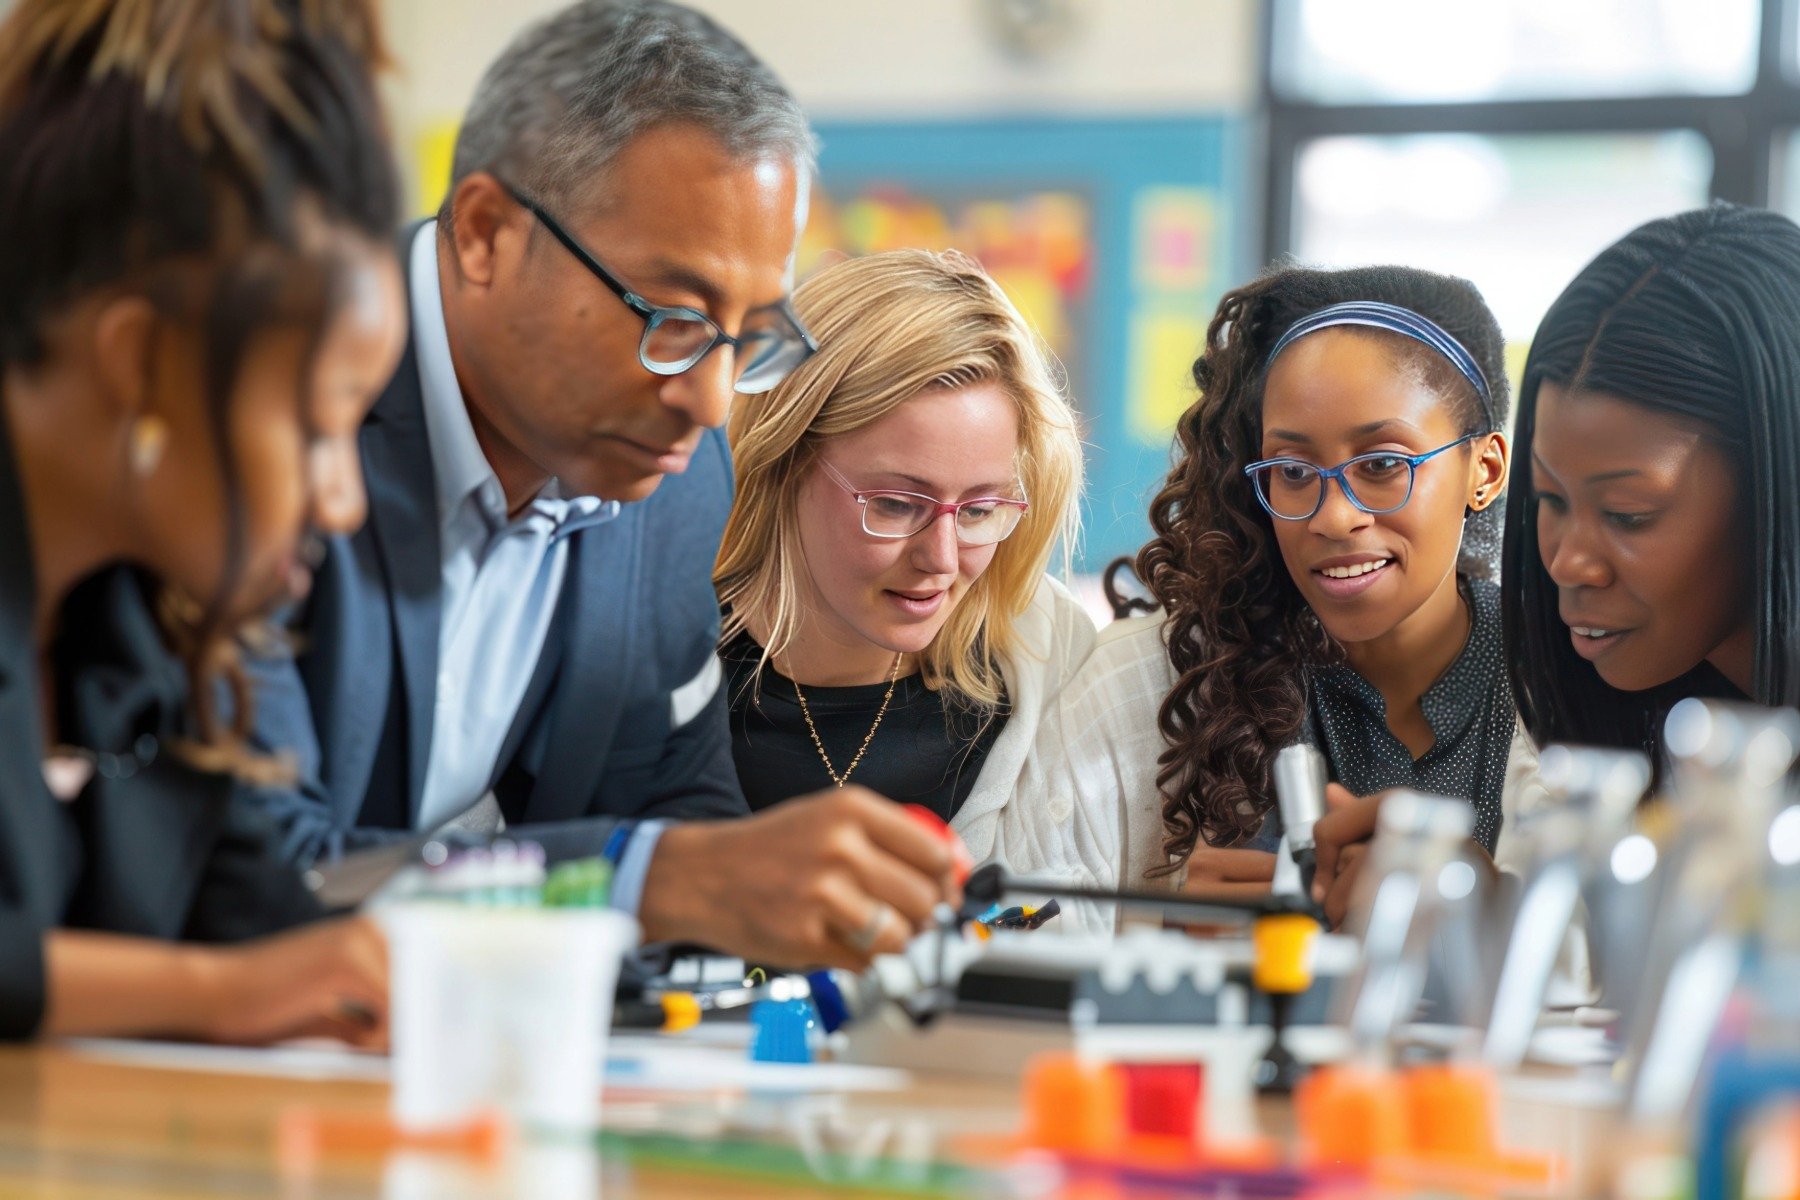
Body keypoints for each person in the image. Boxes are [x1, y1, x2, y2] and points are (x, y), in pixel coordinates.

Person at [249, 0, 960, 969]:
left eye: (750, 335)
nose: (712, 400)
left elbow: (670, 800)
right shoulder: (268, 404)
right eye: (670, 316)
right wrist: (647, 882)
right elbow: (252, 878)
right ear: (488, 233)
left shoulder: (670, 480)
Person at [0, 0, 407, 1040]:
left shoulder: (144, 637)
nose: (342, 500)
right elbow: (238, 982)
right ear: (138, 361)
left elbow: (269, 942)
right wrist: (217, 1000)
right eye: (317, 427)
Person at [1310, 205, 1800, 925]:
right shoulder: (1621, 740)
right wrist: (1486, 912)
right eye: (1549, 501)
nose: (1568, 560)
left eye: (1630, 513)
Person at [1019, 265, 1535, 931]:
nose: (1333, 516)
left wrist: (1489, 913)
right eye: (1294, 472)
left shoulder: (1562, 683)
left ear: (1485, 470)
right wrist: (1161, 944)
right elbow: (1009, 943)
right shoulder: (1148, 682)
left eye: (1381, 465)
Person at [714, 249, 1089, 862]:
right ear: (784, 465)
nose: (941, 560)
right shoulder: (657, 660)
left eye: (977, 511)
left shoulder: (1049, 660)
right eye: (895, 504)